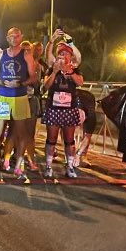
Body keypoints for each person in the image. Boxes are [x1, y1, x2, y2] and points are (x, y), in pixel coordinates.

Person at [0, 27, 38, 183]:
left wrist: (20, 83)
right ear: (7, 38)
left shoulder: (26, 55)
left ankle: (19, 167)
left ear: (21, 37)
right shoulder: (1, 54)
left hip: (20, 97)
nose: (14, 39)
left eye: (17, 36)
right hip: (2, 96)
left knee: (22, 134)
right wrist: (3, 82)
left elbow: (33, 77)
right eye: (11, 37)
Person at [42, 42, 84, 178]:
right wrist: (55, 71)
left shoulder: (74, 69)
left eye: (65, 54)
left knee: (69, 139)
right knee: (51, 139)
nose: (62, 56)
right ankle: (48, 166)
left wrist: (70, 72)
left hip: (69, 109)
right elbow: (46, 86)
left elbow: (80, 82)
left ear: (70, 57)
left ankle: (70, 166)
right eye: (60, 53)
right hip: (53, 108)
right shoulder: (51, 68)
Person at [74, 88, 97, 167]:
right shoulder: (69, 114)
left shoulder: (91, 116)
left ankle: (83, 155)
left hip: (88, 98)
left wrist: (78, 154)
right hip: (72, 97)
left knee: (87, 133)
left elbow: (87, 137)